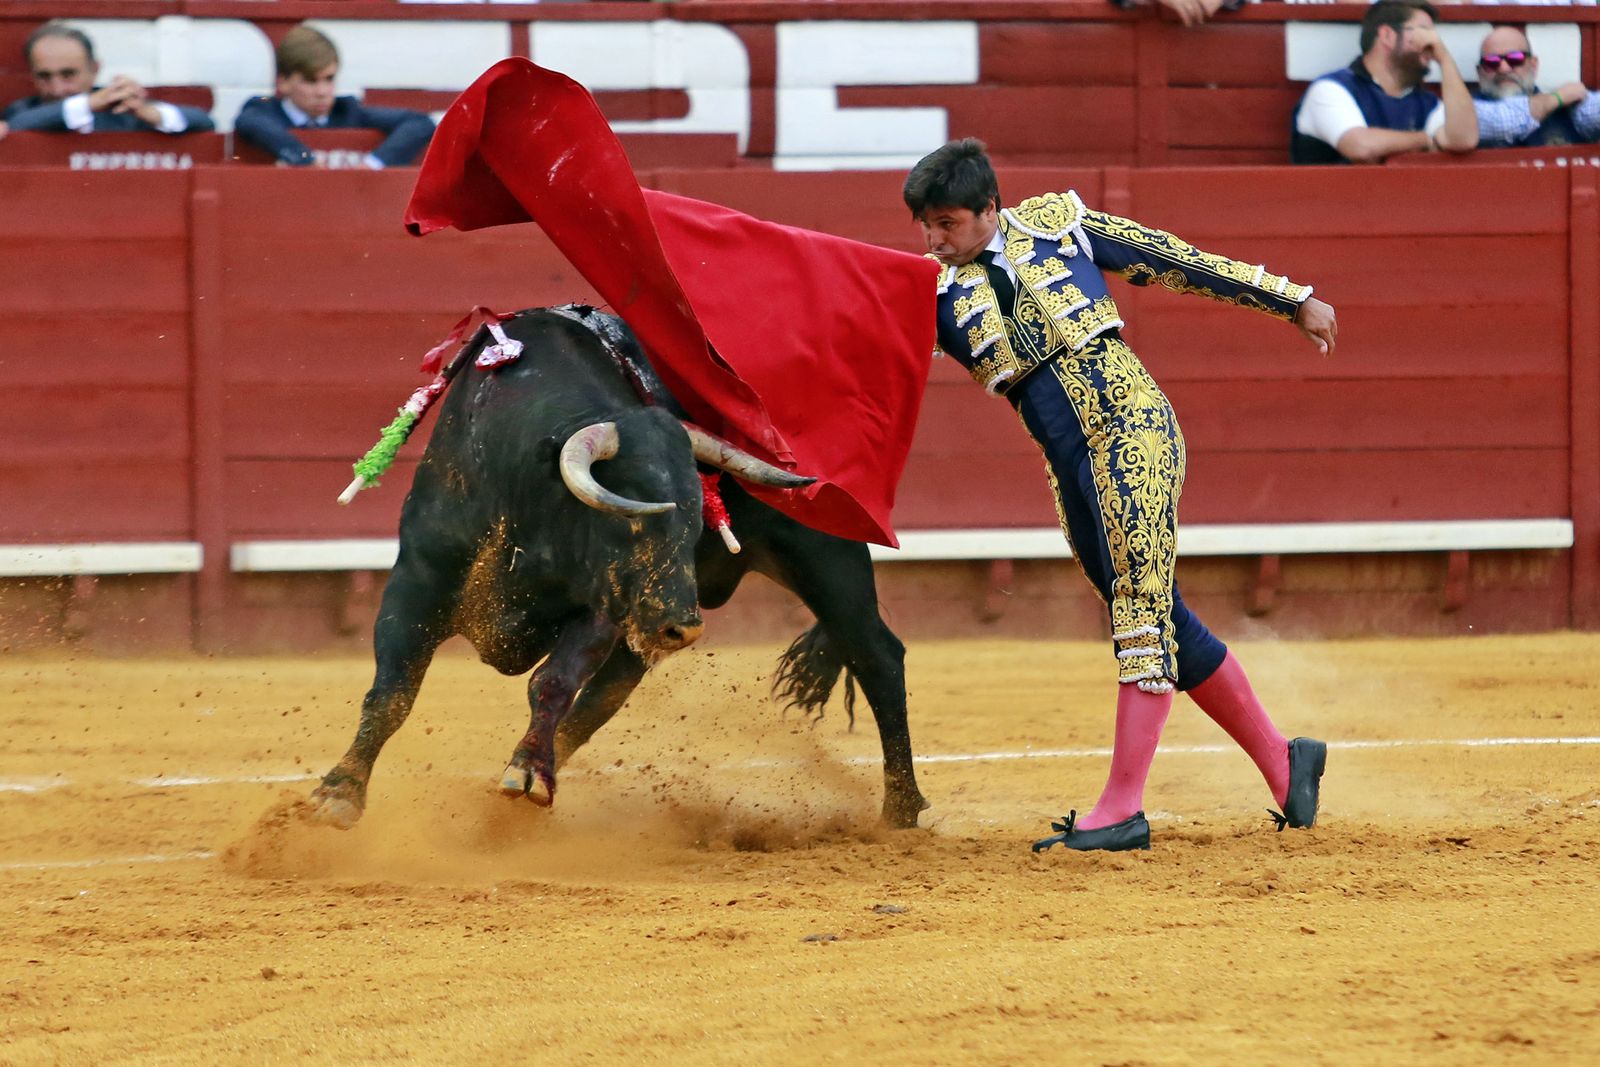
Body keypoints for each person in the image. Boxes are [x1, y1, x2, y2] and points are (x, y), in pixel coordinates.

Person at [903, 138, 1335, 852]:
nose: (933, 239)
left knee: (1138, 607)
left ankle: (1122, 808)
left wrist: (1289, 299)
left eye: (946, 223)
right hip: (1067, 463)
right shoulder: (930, 290)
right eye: (924, 225)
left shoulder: (1056, 224)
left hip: (1132, 427)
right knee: (1152, 606)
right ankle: (1287, 764)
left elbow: (1172, 260)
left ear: (989, 208)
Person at [1292, 0, 1478, 165]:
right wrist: (1426, 140)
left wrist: (1445, 59)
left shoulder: (1427, 103)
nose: (1433, 42)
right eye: (1423, 30)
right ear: (1388, 36)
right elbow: (1360, 146)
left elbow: (1465, 139)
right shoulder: (1331, 89)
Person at [233, 25, 434, 169]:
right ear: (283, 82)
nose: (322, 92)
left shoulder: (347, 111)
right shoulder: (264, 110)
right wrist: (305, 159)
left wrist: (372, 165)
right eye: (311, 81)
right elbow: (248, 121)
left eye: (329, 79)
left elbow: (419, 122)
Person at [0, 21, 214, 141]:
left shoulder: (120, 110)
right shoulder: (21, 111)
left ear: (94, 70)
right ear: (32, 75)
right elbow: (15, 124)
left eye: (68, 75)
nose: (57, 89)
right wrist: (88, 103)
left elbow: (204, 122)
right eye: (44, 76)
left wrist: (152, 113)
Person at [1472, 25, 1600, 149]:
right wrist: (1555, 99)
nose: (1504, 68)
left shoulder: (1568, 110)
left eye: (1515, 59)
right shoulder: (1467, 111)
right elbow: (1499, 121)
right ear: (1479, 71)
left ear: (1533, 65)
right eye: (1491, 61)